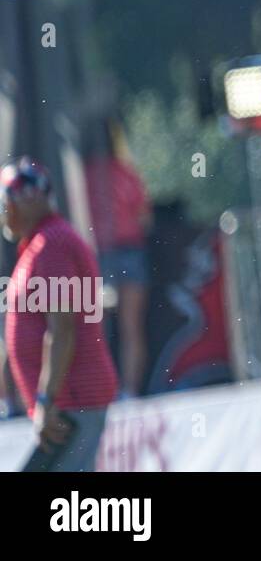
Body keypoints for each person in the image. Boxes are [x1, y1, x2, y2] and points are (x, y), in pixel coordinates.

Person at [1, 157, 119, 470]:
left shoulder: (52, 244)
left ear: (27, 200)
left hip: (71, 400)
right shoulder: (41, 242)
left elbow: (63, 329)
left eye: (5, 201)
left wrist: (46, 400)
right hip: (65, 400)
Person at [83, 119, 153, 397]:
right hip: (129, 251)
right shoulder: (126, 172)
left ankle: (102, 390)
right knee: (131, 327)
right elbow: (144, 216)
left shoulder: (82, 175)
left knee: (95, 329)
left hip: (96, 255)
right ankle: (130, 391)